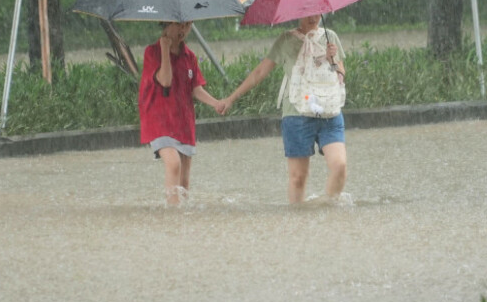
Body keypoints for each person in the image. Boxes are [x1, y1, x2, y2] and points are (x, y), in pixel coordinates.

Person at [219, 14, 347, 204]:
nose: (313, 17)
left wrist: (332, 59)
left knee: (340, 166)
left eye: (316, 11)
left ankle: (329, 213)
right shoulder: (286, 40)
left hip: (328, 111)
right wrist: (231, 98)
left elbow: (340, 75)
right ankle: (297, 221)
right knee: (298, 178)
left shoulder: (330, 37)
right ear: (299, 13)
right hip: (297, 114)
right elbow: (260, 72)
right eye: (307, 12)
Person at [139, 21, 224, 205]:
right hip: (159, 120)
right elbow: (166, 80)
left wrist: (215, 103)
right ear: (167, 24)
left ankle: (183, 216)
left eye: (188, 25)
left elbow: (196, 89)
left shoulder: (189, 56)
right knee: (173, 163)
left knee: (184, 182)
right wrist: (164, 49)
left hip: (183, 122)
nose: (183, 30)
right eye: (179, 25)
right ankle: (173, 217)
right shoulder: (151, 53)